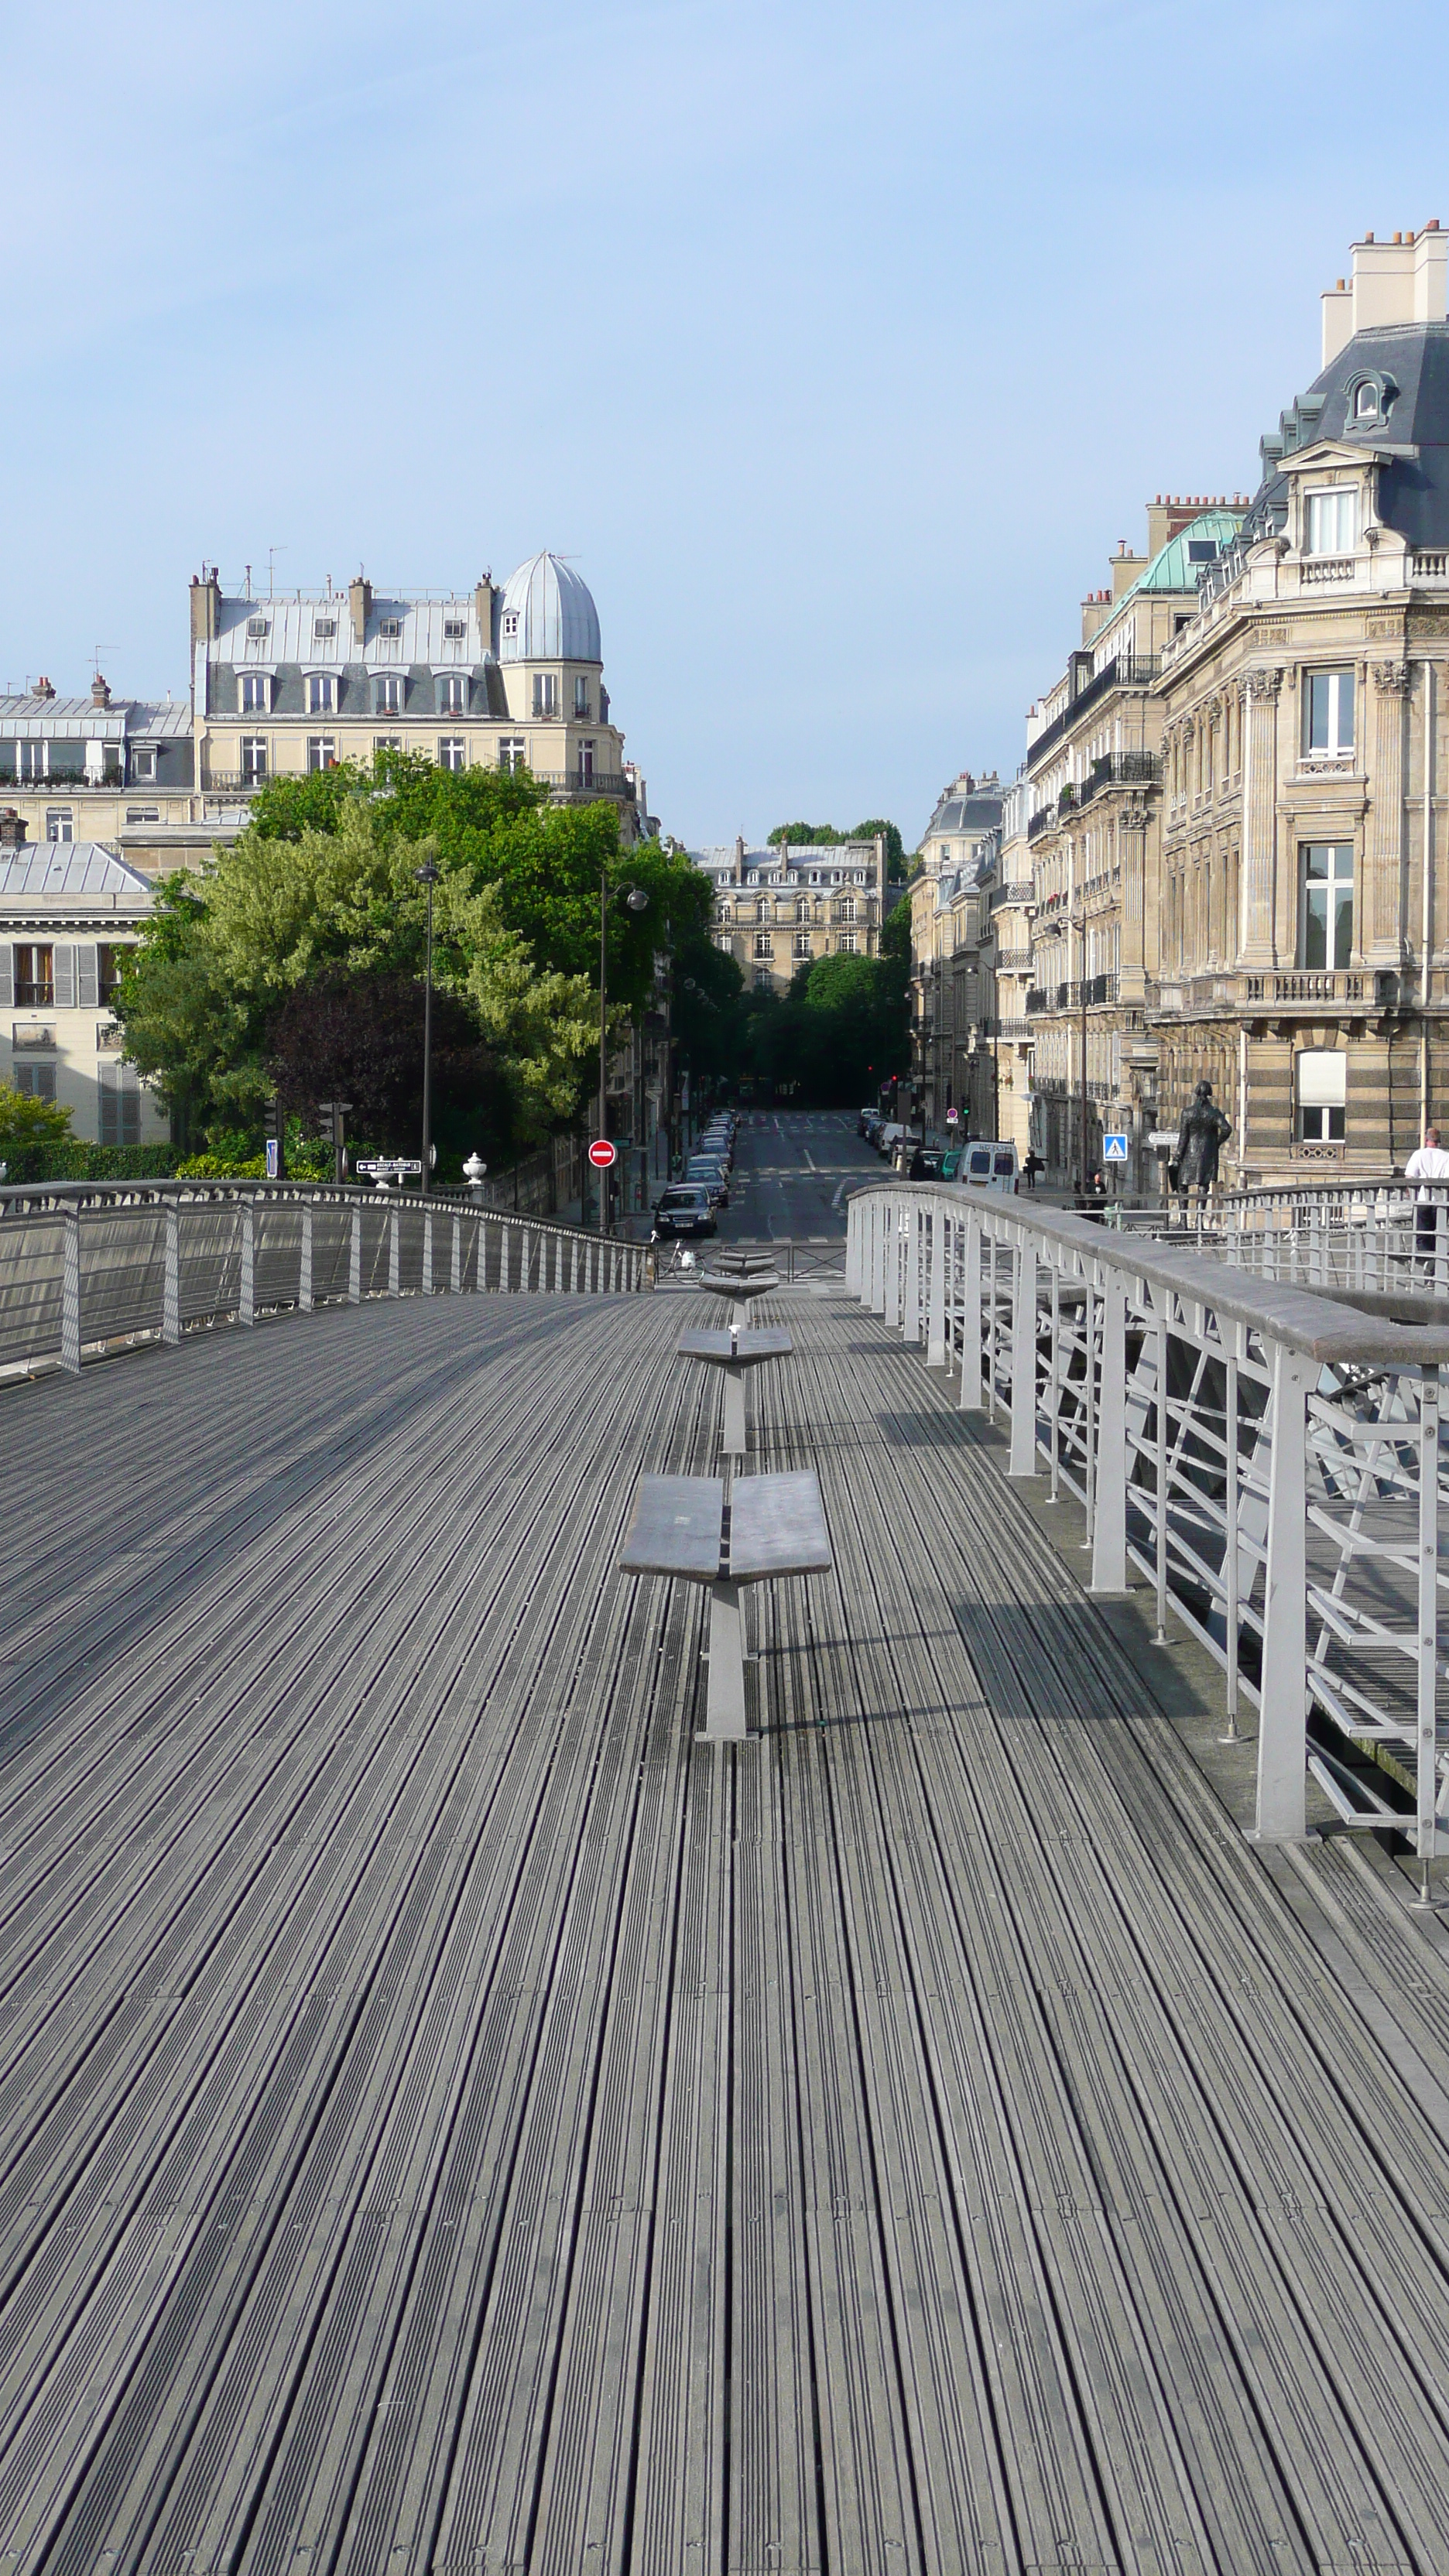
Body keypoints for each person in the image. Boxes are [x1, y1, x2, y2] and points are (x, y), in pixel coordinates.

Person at [1405, 1124, 1449, 1271]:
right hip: (1441, 1201)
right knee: (1439, 1234)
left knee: (1423, 1234)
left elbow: (1410, 1176)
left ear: (1426, 1139)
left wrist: (1410, 1194)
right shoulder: (1446, 1156)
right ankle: (1437, 1267)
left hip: (1422, 1199)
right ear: (1439, 1141)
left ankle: (1426, 1265)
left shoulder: (1419, 1155)